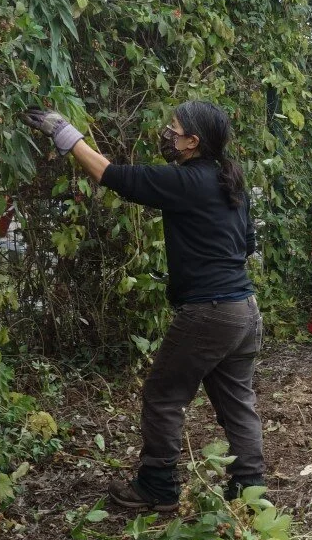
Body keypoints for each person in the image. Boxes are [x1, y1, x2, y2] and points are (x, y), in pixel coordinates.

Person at [22, 101, 265, 512]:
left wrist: (64, 133)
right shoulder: (230, 181)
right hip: (244, 310)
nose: (166, 134)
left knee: (163, 395)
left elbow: (111, 175)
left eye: (174, 129)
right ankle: (249, 492)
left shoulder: (187, 181)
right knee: (236, 401)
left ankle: (157, 485)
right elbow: (247, 246)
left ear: (193, 141)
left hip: (209, 311)